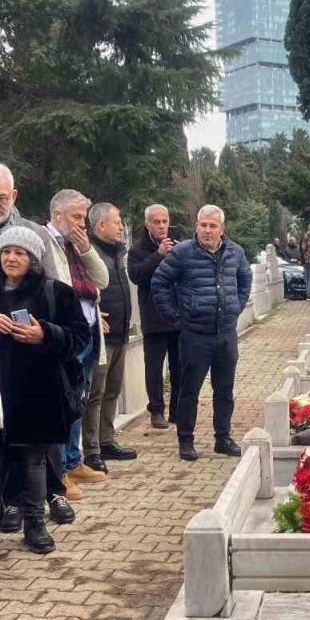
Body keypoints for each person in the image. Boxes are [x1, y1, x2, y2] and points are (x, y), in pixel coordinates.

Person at [0, 228, 91, 554]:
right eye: (6, 251)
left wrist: (45, 335)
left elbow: (80, 336)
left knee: (34, 458)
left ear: (33, 258)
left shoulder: (55, 292)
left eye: (19, 253)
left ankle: (35, 523)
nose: (11, 258)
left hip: (38, 391)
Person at [151, 205, 251, 462]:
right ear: (196, 226)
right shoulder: (183, 253)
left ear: (222, 229)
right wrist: (174, 316)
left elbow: (245, 279)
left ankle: (223, 438)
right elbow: (159, 281)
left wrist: (236, 307)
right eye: (203, 225)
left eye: (212, 226)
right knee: (189, 389)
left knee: (224, 390)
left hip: (225, 334)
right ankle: (186, 440)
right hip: (194, 334)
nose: (207, 230)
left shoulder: (235, 252)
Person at [43, 190, 109, 499]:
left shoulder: (77, 245)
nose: (82, 224)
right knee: (61, 404)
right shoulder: (46, 241)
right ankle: (59, 474)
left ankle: (73, 460)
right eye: (76, 217)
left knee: (77, 401)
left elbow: (102, 280)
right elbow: (60, 286)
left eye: (83, 217)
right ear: (57, 216)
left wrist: (86, 250)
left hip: (87, 334)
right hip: (63, 336)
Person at [83, 202, 136, 473]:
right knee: (96, 392)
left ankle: (107, 440)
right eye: (116, 222)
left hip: (121, 331)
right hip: (101, 335)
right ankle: (90, 449)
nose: (121, 227)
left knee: (113, 390)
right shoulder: (88, 253)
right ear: (101, 224)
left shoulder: (117, 252)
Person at [128, 204, 181, 431]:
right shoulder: (137, 250)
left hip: (178, 317)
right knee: (154, 369)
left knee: (180, 367)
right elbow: (138, 276)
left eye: (164, 221)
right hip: (153, 318)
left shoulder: (180, 246)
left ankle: (177, 411)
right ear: (147, 224)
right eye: (156, 222)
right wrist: (158, 255)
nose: (161, 226)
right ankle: (156, 411)